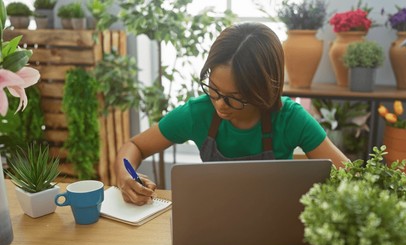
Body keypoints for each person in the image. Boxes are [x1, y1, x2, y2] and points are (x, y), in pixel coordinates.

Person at [115, 22, 349, 205]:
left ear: (263, 91)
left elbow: (349, 175)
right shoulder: (198, 113)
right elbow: (135, 146)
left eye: (233, 98)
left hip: (274, 225)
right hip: (213, 219)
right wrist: (126, 177)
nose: (219, 103)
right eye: (214, 90)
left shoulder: (290, 118)